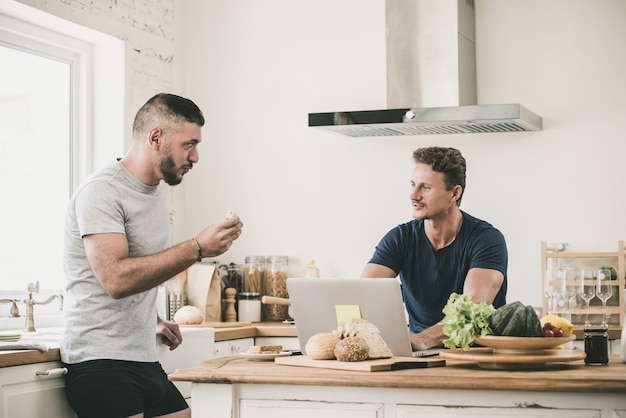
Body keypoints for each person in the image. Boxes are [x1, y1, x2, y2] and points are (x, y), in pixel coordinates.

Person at [61, 93, 243, 418]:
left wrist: (153, 319)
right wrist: (197, 248)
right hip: (100, 361)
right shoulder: (101, 193)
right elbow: (115, 279)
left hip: (142, 357)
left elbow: (138, 269)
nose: (196, 157)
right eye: (189, 144)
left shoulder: (156, 192)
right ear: (156, 137)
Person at [361, 146, 507, 351]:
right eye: (413, 185)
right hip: (419, 355)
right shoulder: (400, 238)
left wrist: (423, 339)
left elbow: (473, 311)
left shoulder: (487, 240)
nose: (413, 195)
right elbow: (361, 295)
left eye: (425, 188)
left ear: (454, 193)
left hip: (476, 355)